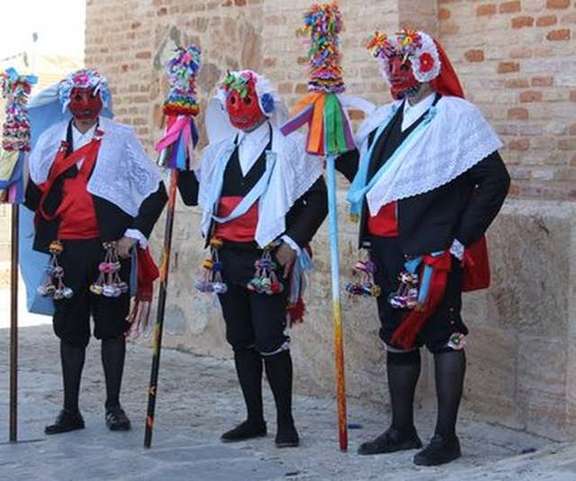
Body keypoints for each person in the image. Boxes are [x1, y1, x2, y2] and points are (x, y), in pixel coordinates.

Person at [337, 30, 510, 466]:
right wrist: (334, 140)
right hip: (383, 249)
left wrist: (458, 241)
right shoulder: (382, 120)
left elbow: (494, 181)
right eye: (393, 65)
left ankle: (446, 437)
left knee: (443, 336)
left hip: (431, 250)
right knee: (396, 336)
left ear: (428, 66)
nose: (399, 74)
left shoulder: (456, 116)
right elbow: (368, 179)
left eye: (407, 64)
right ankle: (401, 429)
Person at [177, 70, 327, 448]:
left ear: (263, 103)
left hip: (267, 259)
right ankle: (254, 418)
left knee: (270, 339)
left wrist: (292, 243)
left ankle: (286, 422)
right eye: (231, 103)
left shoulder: (288, 147)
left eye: (245, 102)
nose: (237, 111)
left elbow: (318, 199)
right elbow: (195, 198)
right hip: (226, 258)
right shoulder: (219, 153)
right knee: (240, 339)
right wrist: (178, 158)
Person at [25, 69, 167, 434]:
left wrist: (132, 235)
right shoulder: (51, 139)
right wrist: (14, 166)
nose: (85, 109)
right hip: (65, 251)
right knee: (70, 330)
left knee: (110, 329)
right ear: (68, 103)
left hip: (109, 251)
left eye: (92, 100)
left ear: (102, 100)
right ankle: (70, 410)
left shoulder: (121, 138)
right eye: (77, 100)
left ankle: (114, 406)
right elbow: (34, 194)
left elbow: (155, 190)